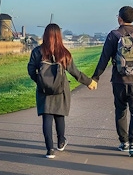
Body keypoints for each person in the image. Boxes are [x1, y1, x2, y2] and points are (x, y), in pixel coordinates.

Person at [91, 6, 133, 158]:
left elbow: (104, 59)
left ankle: (123, 142)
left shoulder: (113, 35)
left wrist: (95, 78)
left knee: (120, 111)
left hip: (119, 81)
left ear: (119, 18)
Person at [28, 23, 96, 159]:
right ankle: (61, 142)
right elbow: (75, 72)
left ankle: (50, 150)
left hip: (43, 90)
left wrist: (40, 81)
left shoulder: (37, 51)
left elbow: (30, 69)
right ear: (59, 36)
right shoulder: (64, 53)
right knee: (59, 116)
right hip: (61, 89)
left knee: (46, 118)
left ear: (45, 35)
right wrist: (89, 82)